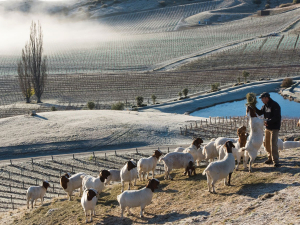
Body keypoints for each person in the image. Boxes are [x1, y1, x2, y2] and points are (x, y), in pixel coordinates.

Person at [255, 92, 281, 167]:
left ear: (267, 98)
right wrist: (253, 107)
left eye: (262, 98)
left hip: (274, 128)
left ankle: (276, 161)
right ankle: (269, 158)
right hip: (268, 128)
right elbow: (260, 113)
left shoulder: (275, 105)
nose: (262, 100)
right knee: (266, 144)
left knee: (273, 144)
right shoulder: (264, 106)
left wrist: (267, 121)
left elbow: (277, 117)